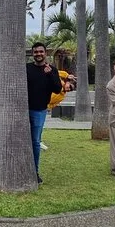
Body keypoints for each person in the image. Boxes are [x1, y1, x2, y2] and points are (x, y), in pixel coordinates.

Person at [26, 42, 62, 184]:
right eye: (36, 52)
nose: (38, 54)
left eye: (41, 52)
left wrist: (50, 74)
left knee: (35, 142)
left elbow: (57, 89)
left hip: (39, 111)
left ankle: (34, 172)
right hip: (22, 110)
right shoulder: (27, 68)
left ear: (45, 53)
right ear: (32, 54)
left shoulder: (52, 70)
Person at [40, 70, 76, 150]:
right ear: (67, 82)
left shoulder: (62, 96)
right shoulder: (58, 82)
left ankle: (39, 141)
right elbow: (54, 72)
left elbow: (54, 104)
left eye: (71, 89)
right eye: (69, 86)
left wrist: (47, 106)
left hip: (43, 107)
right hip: (37, 100)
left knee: (40, 125)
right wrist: (67, 75)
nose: (69, 89)